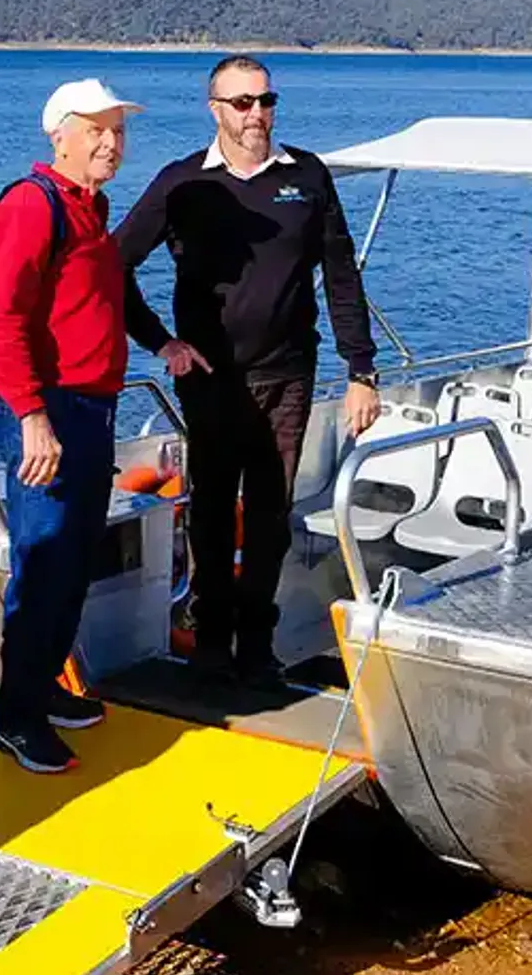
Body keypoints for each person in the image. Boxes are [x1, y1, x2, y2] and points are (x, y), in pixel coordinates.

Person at [118, 55, 381, 683]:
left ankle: (256, 644)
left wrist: (361, 371)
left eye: (266, 101)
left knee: (271, 512)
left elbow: (341, 276)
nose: (257, 114)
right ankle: (211, 639)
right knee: (209, 509)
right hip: (209, 379)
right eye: (242, 103)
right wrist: (160, 343)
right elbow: (112, 263)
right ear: (215, 109)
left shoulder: (307, 176)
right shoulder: (183, 184)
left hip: (288, 374)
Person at [0, 79, 206, 773]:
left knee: (73, 562)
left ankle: (45, 686)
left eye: (119, 131)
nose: (111, 142)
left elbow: (113, 291)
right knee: (41, 567)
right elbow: (1, 320)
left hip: (92, 412)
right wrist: (31, 416)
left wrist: (162, 342)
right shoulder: (32, 205)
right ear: (60, 136)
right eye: (97, 130)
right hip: (51, 414)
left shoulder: (91, 208)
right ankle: (14, 717)